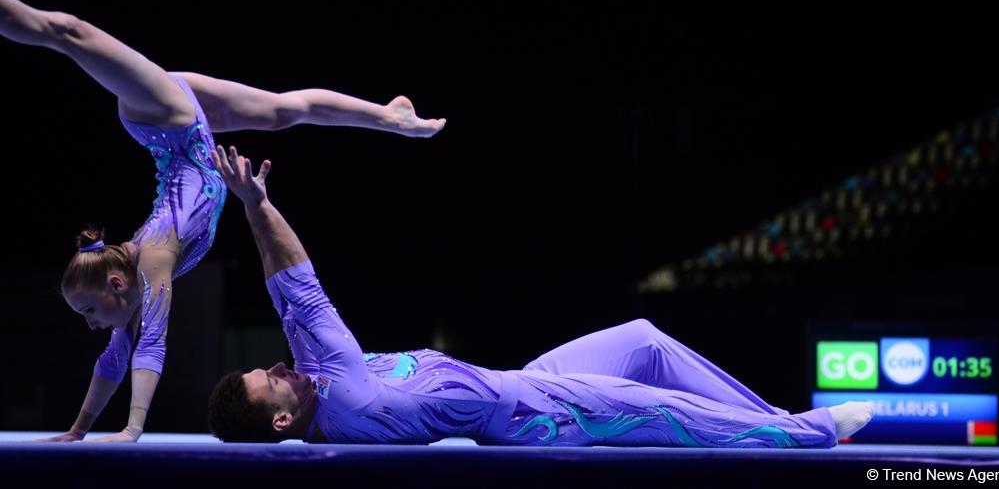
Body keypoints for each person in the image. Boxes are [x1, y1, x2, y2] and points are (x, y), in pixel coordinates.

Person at [0, 0, 445, 443]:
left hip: (164, 119)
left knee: (66, 31)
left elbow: (153, 342)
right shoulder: (132, 286)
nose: (90, 323)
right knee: (282, 112)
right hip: (182, 121)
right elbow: (115, 359)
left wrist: (133, 429)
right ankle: (391, 117)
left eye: (89, 311)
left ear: (115, 285)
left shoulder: (152, 260)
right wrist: (76, 432)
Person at [207, 145, 874, 447]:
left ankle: (782, 420)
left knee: (643, 337)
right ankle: (808, 434)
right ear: (282, 421)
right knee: (675, 413)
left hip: (524, 385)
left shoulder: (318, 380)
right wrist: (262, 202)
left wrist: (249, 209)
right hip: (544, 418)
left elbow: (284, 298)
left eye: (266, 367)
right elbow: (306, 290)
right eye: (269, 381)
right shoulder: (343, 396)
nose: (275, 366)